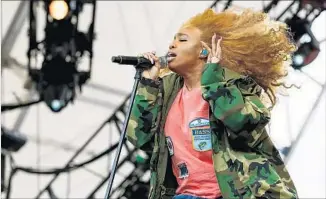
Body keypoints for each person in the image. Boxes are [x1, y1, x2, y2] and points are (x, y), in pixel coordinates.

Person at [127, 8, 298, 199]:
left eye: (182, 40)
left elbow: (244, 123)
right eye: (173, 40)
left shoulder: (231, 83)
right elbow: (140, 138)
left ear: (203, 50)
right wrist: (148, 84)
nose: (172, 45)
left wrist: (214, 82)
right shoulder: (167, 91)